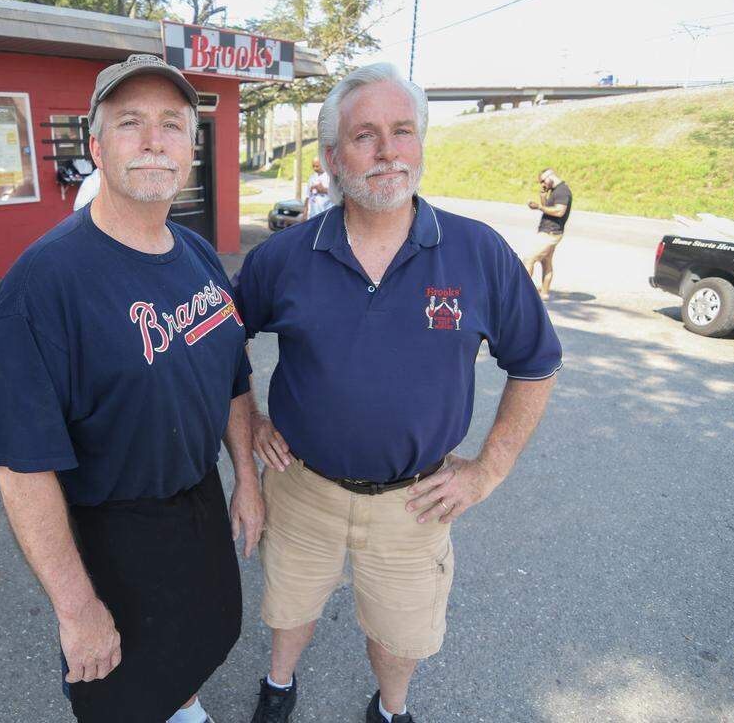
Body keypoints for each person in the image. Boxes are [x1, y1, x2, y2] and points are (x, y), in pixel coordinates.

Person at [234, 63, 563, 723]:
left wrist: (489, 470)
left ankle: (390, 708)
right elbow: (221, 347)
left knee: (400, 632)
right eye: (365, 135)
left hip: (415, 502)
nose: (388, 151)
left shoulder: (478, 253)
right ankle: (279, 683)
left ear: (420, 142)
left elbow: (536, 363)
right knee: (289, 606)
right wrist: (251, 437)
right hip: (301, 486)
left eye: (403, 131)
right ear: (332, 157)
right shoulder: (283, 258)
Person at [0, 54, 263, 723]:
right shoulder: (43, 285)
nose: (154, 141)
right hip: (112, 532)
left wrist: (246, 473)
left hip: (199, 505)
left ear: (191, 146)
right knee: (119, 689)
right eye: (130, 123)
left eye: (172, 125)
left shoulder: (198, 253)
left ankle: (185, 708)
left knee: (203, 637)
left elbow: (233, 371)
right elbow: (19, 464)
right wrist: (76, 609)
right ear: (96, 146)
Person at [523, 168, 573, 300]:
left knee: (529, 259)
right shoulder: (555, 190)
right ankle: (544, 293)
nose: (543, 184)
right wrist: (543, 197)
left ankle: (523, 292)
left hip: (550, 233)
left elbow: (559, 211)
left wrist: (539, 207)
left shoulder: (563, 191)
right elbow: (548, 209)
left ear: (550, 176)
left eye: (543, 181)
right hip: (549, 231)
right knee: (546, 262)